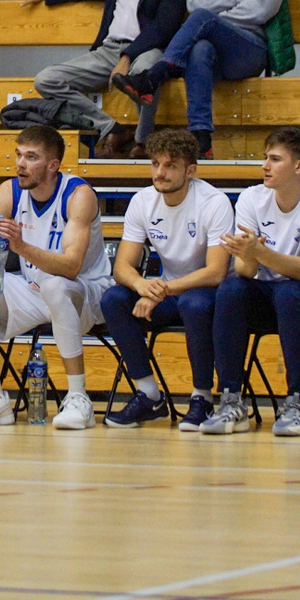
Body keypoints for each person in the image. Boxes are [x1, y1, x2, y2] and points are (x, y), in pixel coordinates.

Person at [0, 126, 111, 429]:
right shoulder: (9, 191)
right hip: (33, 288)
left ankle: (78, 398)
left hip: (84, 293)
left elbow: (71, 267)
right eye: (18, 155)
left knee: (55, 285)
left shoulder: (78, 195)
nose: (20, 164)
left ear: (53, 165)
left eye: (31, 157)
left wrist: (22, 247)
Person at [112, 0, 295, 159]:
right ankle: (201, 136)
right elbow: (192, 0)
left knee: (203, 19)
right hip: (217, 52)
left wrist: (214, 14)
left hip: (251, 49)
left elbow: (261, 9)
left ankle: (155, 76)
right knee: (200, 47)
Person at [200, 127, 300, 437]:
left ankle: (297, 401)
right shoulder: (252, 197)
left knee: (289, 292)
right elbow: (244, 270)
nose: (265, 165)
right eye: (265, 158)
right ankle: (230, 399)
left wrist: (259, 251)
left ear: (299, 166)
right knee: (230, 289)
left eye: (275, 159)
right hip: (270, 293)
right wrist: (250, 255)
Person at [23, 0, 189, 158]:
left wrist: (127, 56)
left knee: (143, 72)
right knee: (46, 79)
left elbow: (164, 26)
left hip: (147, 49)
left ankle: (143, 141)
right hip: (108, 50)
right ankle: (111, 128)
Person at [101, 129, 234, 430]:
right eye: (155, 164)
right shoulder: (143, 201)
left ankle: (202, 397)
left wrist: (160, 291)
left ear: (191, 170)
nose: (160, 173)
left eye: (170, 166)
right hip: (169, 292)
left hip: (209, 293)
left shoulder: (214, 202)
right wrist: (141, 285)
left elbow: (216, 272)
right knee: (114, 299)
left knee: (194, 304)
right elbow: (122, 267)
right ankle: (149, 395)